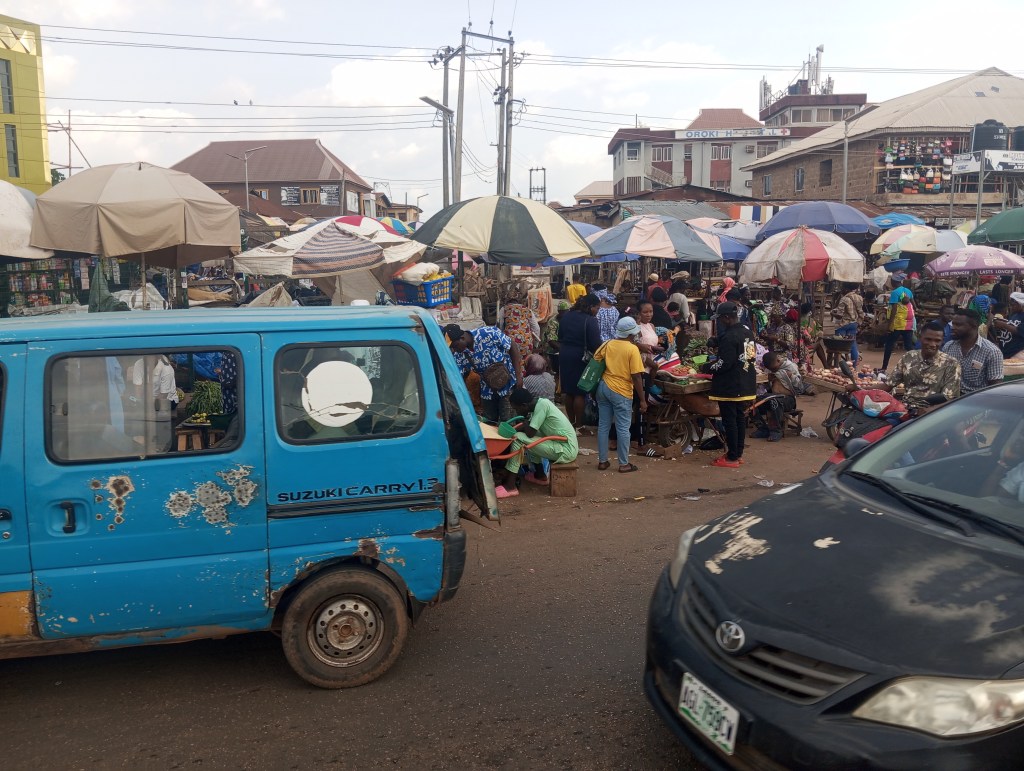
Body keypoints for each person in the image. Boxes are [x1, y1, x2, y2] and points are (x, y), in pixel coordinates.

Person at [493, 388, 578, 499]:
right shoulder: (539, 404)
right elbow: (531, 431)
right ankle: (540, 475)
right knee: (529, 439)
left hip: (566, 449)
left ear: (524, 405)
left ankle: (510, 486)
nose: (517, 412)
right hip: (561, 444)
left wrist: (525, 423)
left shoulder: (542, 406)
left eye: (516, 409)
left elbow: (530, 433)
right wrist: (525, 424)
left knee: (518, 438)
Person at [705, 302, 757, 468]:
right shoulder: (748, 333)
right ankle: (737, 453)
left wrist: (706, 367)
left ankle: (732, 457)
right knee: (739, 418)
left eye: (720, 318)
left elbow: (723, 364)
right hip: (745, 383)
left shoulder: (729, 337)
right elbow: (750, 357)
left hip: (730, 385)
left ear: (727, 318)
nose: (719, 321)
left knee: (730, 421)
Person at [594, 316, 647, 473]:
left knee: (603, 425)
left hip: (603, 387)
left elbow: (596, 360)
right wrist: (643, 400)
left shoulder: (607, 344)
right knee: (623, 427)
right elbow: (637, 376)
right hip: (621, 390)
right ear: (631, 334)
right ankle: (624, 464)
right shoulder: (632, 349)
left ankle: (603, 461)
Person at [444, 324, 522, 422]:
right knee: (489, 423)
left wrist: (518, 375)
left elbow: (512, 346)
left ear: (462, 338)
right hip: (487, 390)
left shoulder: (488, 333)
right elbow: (461, 375)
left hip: (507, 385)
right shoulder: (459, 354)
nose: (455, 350)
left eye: (455, 346)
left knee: (508, 422)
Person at [883, 321, 961, 413]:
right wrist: (863, 390)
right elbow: (889, 385)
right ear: (920, 338)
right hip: (905, 409)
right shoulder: (909, 356)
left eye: (937, 341)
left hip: (932, 414)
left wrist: (926, 412)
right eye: (928, 339)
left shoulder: (951, 364)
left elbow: (951, 399)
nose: (932, 344)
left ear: (942, 341)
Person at [557, 294, 601, 433]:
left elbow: (561, 336)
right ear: (591, 306)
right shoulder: (590, 320)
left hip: (564, 354)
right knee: (579, 392)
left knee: (568, 391)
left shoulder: (566, 317)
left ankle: (571, 423)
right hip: (580, 357)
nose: (597, 311)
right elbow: (595, 344)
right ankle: (579, 426)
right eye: (597, 308)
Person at [941, 308, 1004, 394]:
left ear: (974, 326)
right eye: (953, 324)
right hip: (949, 397)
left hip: (976, 399)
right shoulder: (948, 346)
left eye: (958, 325)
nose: (953, 328)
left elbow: (995, 387)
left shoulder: (991, 351)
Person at [751, 350, 802, 442]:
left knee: (774, 401)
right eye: (772, 369)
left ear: (778, 361)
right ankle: (762, 429)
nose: (773, 370)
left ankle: (776, 431)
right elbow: (766, 388)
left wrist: (791, 377)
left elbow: (800, 388)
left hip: (788, 399)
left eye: (774, 368)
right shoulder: (769, 369)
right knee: (751, 402)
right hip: (772, 396)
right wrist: (768, 380)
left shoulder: (790, 366)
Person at [881, 278, 916, 370]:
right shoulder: (908, 291)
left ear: (893, 282)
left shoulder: (895, 292)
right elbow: (914, 305)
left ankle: (884, 367)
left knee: (889, 345)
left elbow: (894, 309)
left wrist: (889, 325)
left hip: (898, 323)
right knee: (909, 346)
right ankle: (916, 366)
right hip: (909, 323)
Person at [498, 289, 540, 359]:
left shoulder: (504, 309)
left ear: (507, 300)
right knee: (526, 363)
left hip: (510, 342)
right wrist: (535, 344)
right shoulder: (527, 309)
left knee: (512, 363)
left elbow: (500, 327)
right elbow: (536, 328)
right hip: (526, 341)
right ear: (518, 300)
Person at [832, 283, 866, 365]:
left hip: (843, 325)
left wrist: (832, 314)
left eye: (843, 288)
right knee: (853, 345)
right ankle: (853, 368)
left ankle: (839, 366)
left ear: (846, 288)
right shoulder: (859, 298)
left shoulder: (844, 299)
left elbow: (839, 315)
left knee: (839, 347)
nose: (841, 290)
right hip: (854, 324)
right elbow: (860, 312)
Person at [992, 291, 1024, 362]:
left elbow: (1020, 331)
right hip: (1006, 352)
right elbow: (1012, 326)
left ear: (1020, 304)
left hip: (1017, 352)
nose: (1011, 307)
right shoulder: (1014, 315)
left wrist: (1004, 325)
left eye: (1013, 305)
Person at [797, 302, 827, 370]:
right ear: (810, 311)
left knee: (817, 345)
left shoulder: (798, 320)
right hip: (805, 347)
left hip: (801, 344)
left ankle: (826, 366)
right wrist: (816, 341)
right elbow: (820, 333)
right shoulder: (812, 321)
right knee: (818, 346)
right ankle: (826, 366)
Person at [543, 300, 569, 378]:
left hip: (561, 347)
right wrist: (565, 350)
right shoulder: (553, 322)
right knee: (554, 372)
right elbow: (551, 341)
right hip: (551, 350)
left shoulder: (567, 320)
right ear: (559, 311)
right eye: (564, 312)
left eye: (567, 311)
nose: (566, 314)